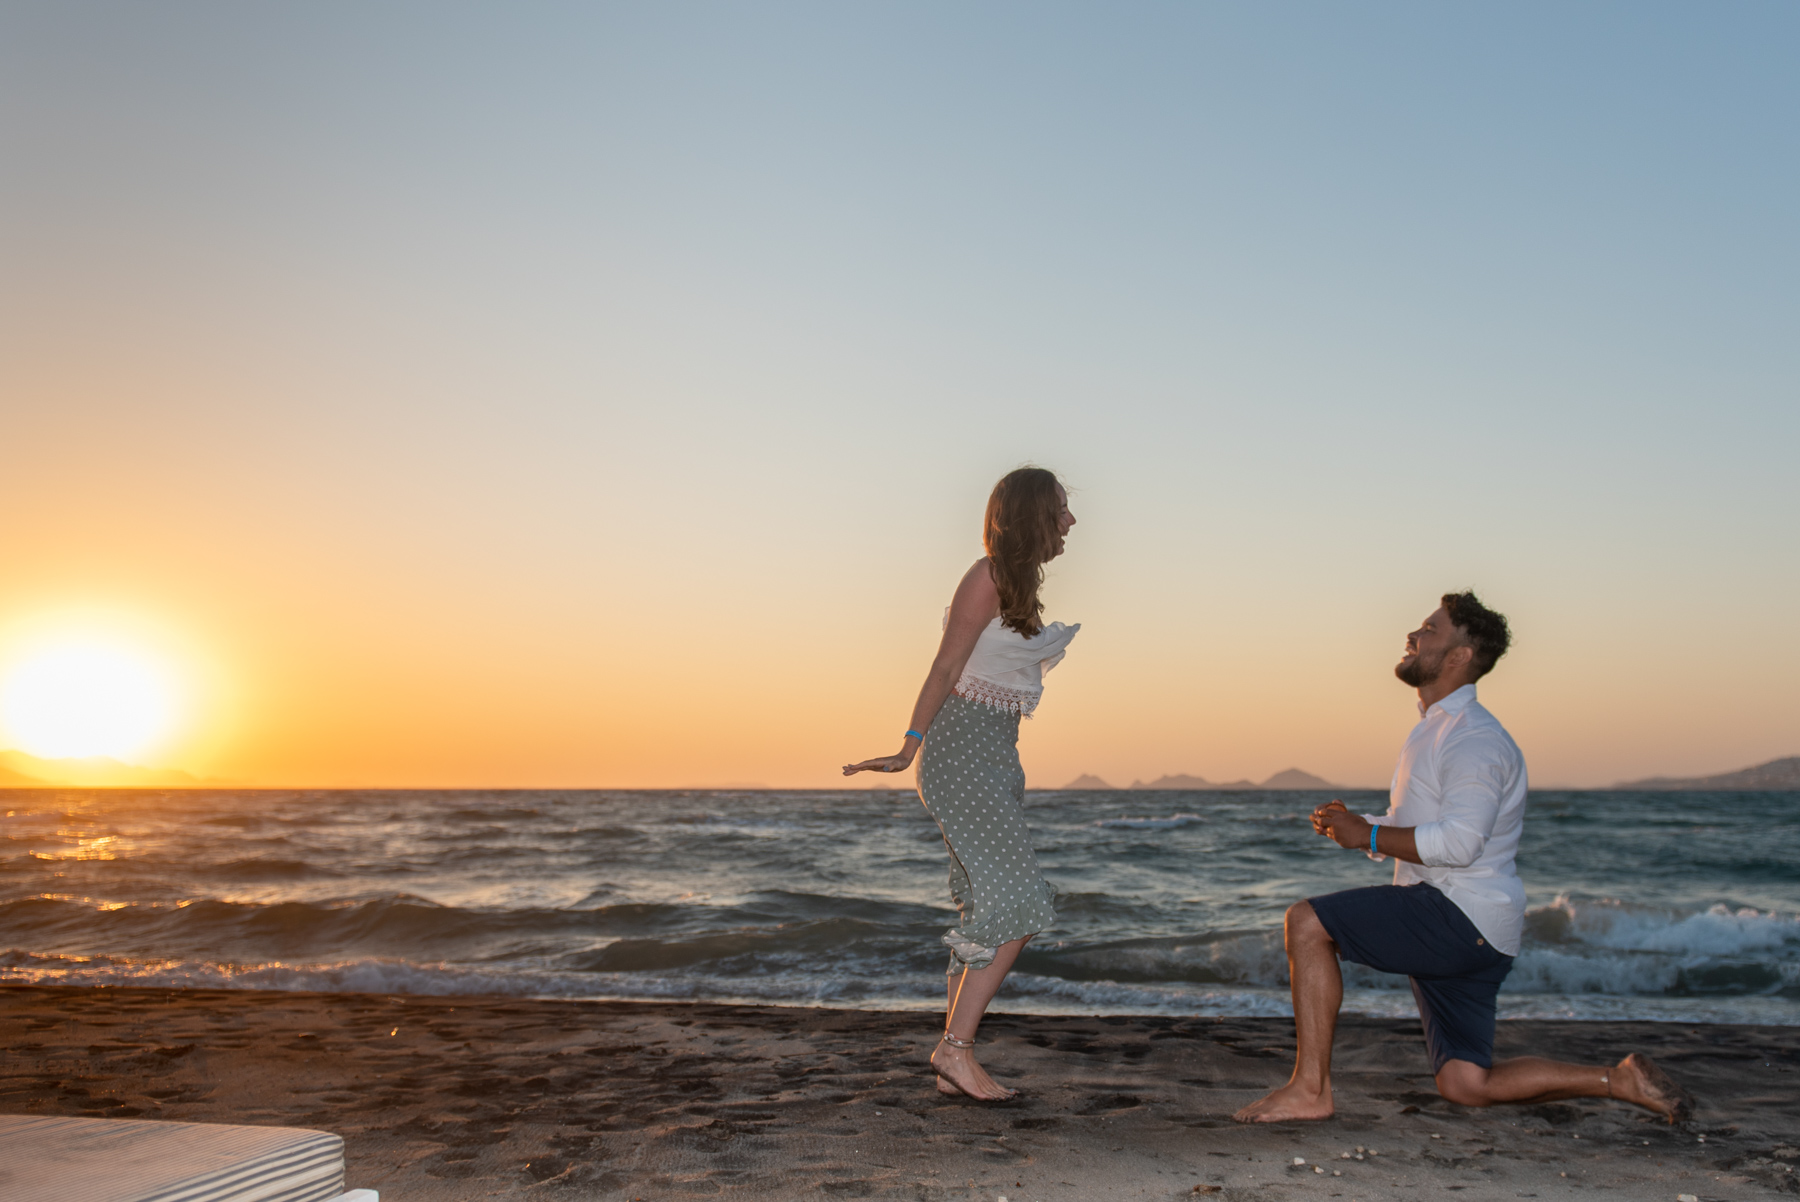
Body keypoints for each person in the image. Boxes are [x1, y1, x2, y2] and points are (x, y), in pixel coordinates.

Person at [1233, 592, 1693, 1124]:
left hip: (1458, 914)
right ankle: (1620, 1080)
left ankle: (1309, 1091)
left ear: (1458, 657)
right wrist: (1362, 827)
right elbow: (1436, 827)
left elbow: (1460, 843)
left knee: (1307, 923)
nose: (1413, 635)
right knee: (1465, 1084)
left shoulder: (1473, 737)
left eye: (1429, 629)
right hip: (1478, 926)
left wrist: (1370, 838)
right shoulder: (1434, 729)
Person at [842, 466, 1079, 1101]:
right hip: (959, 755)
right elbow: (945, 663)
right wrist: (908, 745)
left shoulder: (1018, 585)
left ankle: (955, 1063)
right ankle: (955, 1050)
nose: (1071, 521)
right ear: (1033, 513)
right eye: (1061, 509)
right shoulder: (990, 575)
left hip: (994, 757)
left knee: (983, 908)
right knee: (1021, 901)